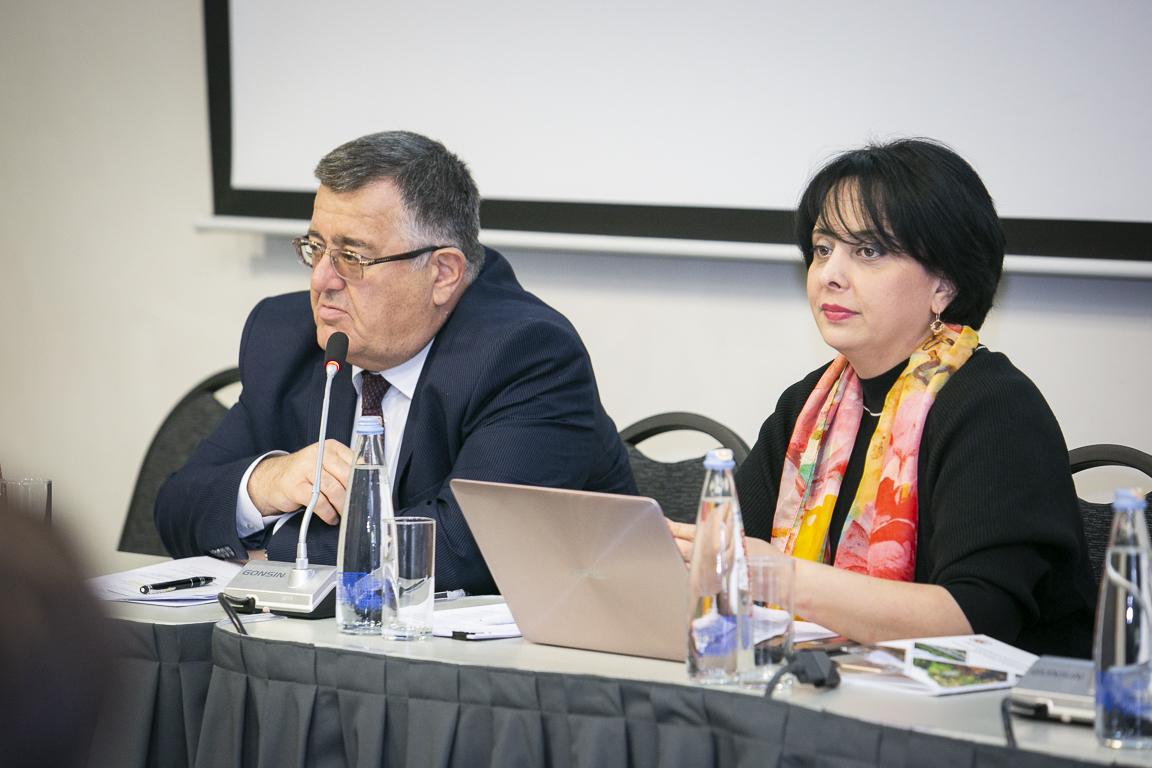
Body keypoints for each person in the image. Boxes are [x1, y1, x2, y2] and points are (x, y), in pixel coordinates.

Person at [156, 131, 636, 595]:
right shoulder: (286, 337)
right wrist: (264, 485)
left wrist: (274, 551)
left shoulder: (526, 354)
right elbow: (177, 508)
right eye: (315, 248)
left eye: (352, 256)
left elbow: (462, 552)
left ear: (442, 274)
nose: (321, 280)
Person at [671, 139, 1096, 657]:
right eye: (823, 249)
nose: (830, 275)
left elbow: (975, 623)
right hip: (839, 686)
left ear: (944, 285)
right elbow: (729, 561)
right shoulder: (809, 409)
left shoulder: (996, 409)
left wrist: (780, 577)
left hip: (998, 699)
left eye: (868, 252)